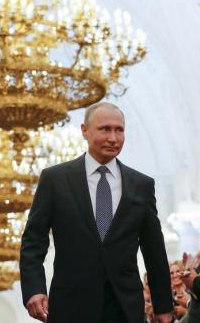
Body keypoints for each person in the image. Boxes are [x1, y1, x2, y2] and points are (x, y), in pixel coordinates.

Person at [20, 102, 174, 323]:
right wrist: (34, 289)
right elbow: (33, 240)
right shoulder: (55, 180)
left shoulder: (141, 185)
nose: (113, 138)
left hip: (124, 307)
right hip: (70, 305)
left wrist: (163, 306)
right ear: (85, 131)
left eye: (119, 130)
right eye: (105, 129)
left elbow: (154, 249)